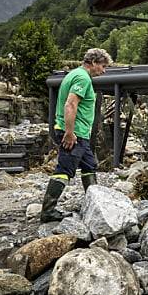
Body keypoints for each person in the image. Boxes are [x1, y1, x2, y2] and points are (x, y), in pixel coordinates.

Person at [40, 48, 112, 223]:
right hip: (75, 133)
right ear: (93, 63)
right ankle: (47, 211)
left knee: (89, 165)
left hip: (79, 134)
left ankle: (94, 204)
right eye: (103, 66)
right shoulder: (82, 78)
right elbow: (70, 105)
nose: (104, 71)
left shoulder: (74, 74)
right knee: (65, 169)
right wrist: (69, 133)